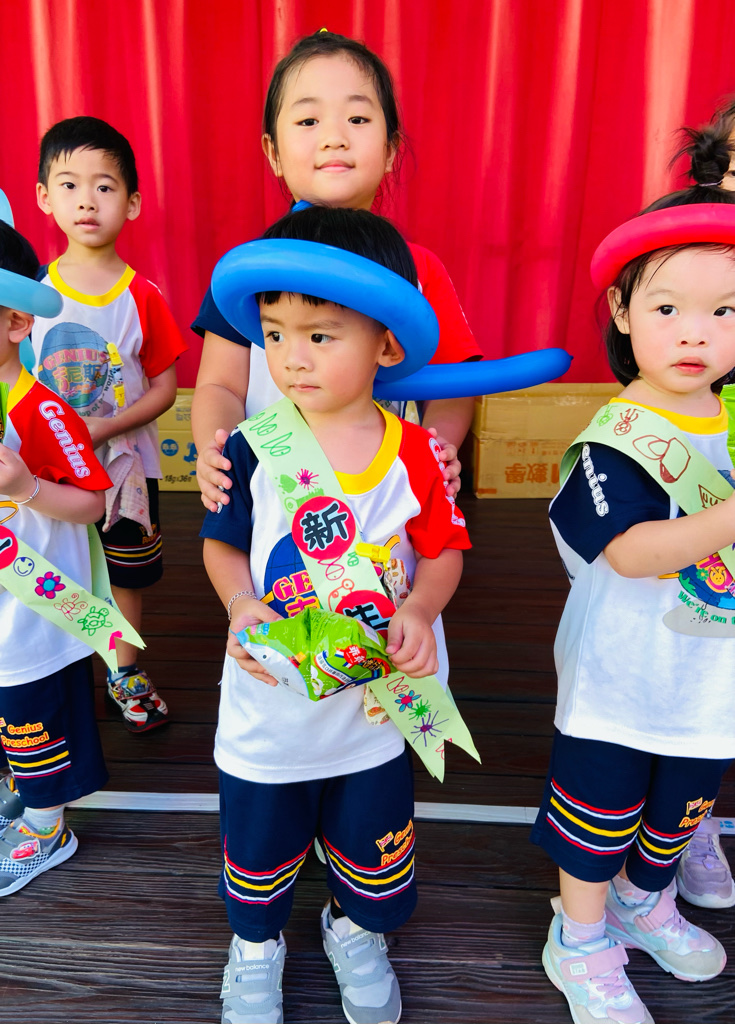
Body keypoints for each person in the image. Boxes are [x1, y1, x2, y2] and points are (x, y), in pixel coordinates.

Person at [201, 204, 470, 1024]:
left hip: (375, 708)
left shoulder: (417, 453)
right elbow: (223, 548)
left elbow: (444, 551)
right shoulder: (252, 444)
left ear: (386, 343)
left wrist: (421, 606)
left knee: (370, 836)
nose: (291, 357)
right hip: (269, 704)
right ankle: (255, 946)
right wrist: (242, 605)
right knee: (259, 839)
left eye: (320, 335)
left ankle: (353, 928)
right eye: (274, 335)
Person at [531, 141, 735, 1024]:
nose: (695, 333)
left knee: (678, 811)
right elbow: (633, 552)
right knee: (596, 818)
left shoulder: (729, 415)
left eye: (725, 311)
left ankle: (640, 903)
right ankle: (578, 939)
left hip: (709, 676)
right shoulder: (614, 435)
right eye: (666, 307)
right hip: (619, 679)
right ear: (620, 309)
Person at [192, 29, 482, 515]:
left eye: (358, 118)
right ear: (273, 153)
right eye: (308, 120)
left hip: (386, 498)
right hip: (272, 493)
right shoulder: (248, 271)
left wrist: (440, 448)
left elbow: (454, 384)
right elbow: (219, 385)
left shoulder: (419, 270)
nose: (334, 137)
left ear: (390, 149)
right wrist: (215, 452)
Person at [31, 116, 188, 733]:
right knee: (55, 570)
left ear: (133, 202)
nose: (87, 201)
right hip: (49, 474)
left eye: (104, 186)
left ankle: (124, 672)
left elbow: (166, 388)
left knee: (126, 572)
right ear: (44, 197)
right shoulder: (31, 297)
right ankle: (60, 672)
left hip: (127, 471)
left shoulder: (142, 295)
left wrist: (104, 428)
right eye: (69, 185)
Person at [0, 221, 111, 892]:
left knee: (33, 720)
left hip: (34, 612)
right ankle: (23, 796)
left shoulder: (43, 412)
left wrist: (26, 487)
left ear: (16, 321)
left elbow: (93, 503)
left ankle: (47, 828)